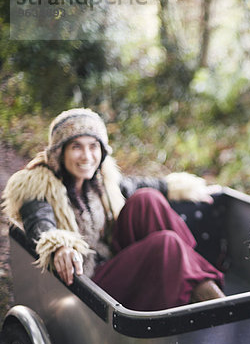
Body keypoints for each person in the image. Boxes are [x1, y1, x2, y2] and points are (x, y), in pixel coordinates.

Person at [2, 108, 226, 311]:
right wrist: (59, 246)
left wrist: (183, 188)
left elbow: (142, 185)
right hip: (88, 283)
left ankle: (190, 278)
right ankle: (210, 296)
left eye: (93, 146)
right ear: (60, 152)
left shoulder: (101, 181)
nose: (87, 156)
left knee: (146, 200)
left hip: (112, 257)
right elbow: (39, 223)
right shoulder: (39, 185)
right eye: (76, 147)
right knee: (167, 244)